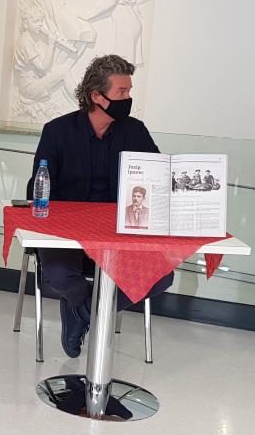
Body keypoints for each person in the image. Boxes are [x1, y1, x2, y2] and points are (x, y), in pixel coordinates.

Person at [27, 54, 172, 358]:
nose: (128, 98)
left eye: (129, 91)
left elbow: (158, 179)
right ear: (96, 96)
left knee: (162, 275)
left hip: (120, 234)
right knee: (58, 273)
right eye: (122, 92)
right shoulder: (57, 131)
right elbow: (37, 188)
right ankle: (89, 310)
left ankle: (81, 314)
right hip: (68, 233)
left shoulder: (135, 131)